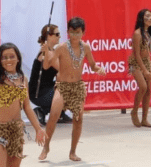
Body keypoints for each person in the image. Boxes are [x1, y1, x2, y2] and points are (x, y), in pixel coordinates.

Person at [39, 17, 106, 162]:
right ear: (68, 32)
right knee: (53, 116)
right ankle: (46, 147)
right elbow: (46, 66)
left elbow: (93, 65)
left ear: (83, 33)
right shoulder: (61, 47)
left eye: (77, 32)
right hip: (62, 86)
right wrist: (45, 53)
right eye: (71, 32)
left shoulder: (86, 47)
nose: (74, 36)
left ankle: (73, 152)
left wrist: (99, 69)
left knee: (78, 119)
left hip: (77, 87)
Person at [28, 24, 72, 125]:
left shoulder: (50, 51)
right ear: (49, 36)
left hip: (44, 90)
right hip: (38, 94)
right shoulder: (48, 53)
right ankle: (41, 111)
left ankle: (59, 113)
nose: (59, 36)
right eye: (57, 34)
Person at [128, 9, 151, 127]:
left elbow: (148, 52)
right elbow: (137, 54)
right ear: (141, 18)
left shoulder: (148, 33)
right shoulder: (137, 33)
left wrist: (148, 66)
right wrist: (144, 70)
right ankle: (134, 112)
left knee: (148, 90)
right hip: (136, 63)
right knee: (143, 87)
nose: (150, 18)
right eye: (147, 16)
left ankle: (144, 119)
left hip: (146, 62)